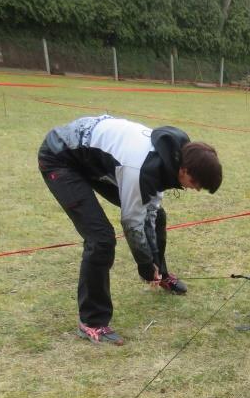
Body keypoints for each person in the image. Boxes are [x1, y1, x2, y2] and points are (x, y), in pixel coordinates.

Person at [38, 115, 222, 345]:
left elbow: (151, 214)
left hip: (92, 158)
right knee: (101, 239)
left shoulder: (170, 159)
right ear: (184, 170)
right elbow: (132, 223)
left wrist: (153, 262)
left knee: (157, 217)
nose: (195, 190)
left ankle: (161, 275)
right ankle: (92, 322)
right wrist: (145, 265)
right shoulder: (142, 168)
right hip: (61, 157)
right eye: (196, 184)